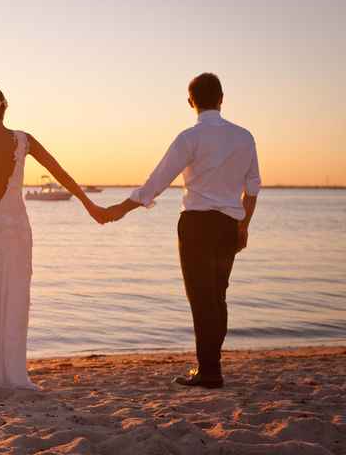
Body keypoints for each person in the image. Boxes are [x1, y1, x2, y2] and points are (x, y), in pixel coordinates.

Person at [106, 73, 261, 388]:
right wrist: (243, 225)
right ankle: (212, 368)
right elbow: (253, 186)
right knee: (218, 296)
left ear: (191, 102)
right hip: (229, 224)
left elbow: (156, 182)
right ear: (222, 98)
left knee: (201, 298)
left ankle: (209, 371)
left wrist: (118, 210)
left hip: (197, 226)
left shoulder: (189, 138)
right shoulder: (244, 137)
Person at [0, 85, 107, 390]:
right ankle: (12, 372)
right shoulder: (22, 139)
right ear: (4, 108)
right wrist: (87, 202)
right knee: (15, 298)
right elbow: (59, 171)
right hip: (17, 230)